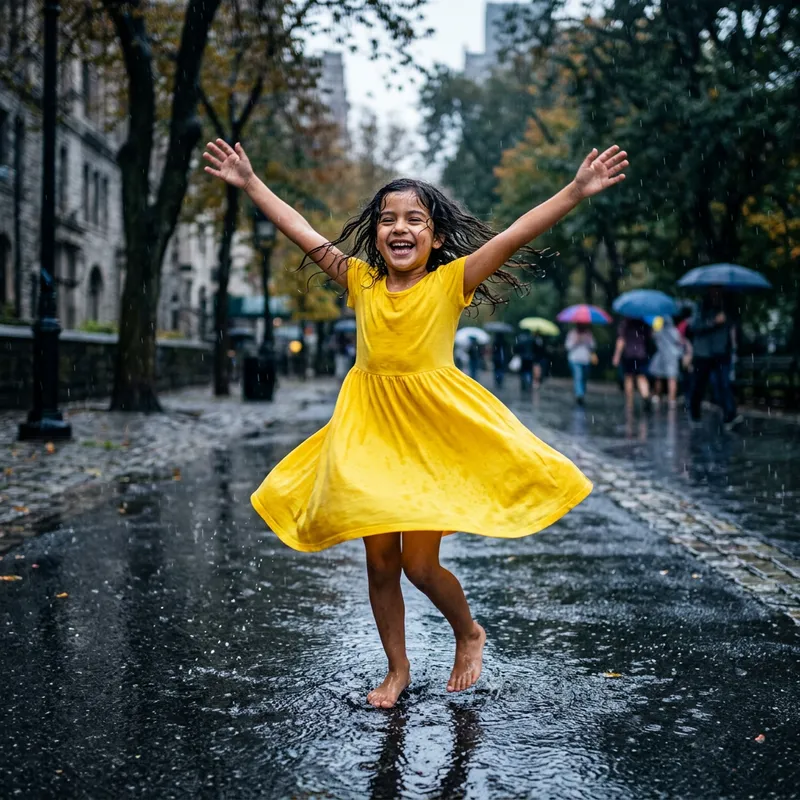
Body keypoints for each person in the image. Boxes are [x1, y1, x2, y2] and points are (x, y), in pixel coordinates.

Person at [204, 138, 627, 709]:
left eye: (415, 220)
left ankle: (468, 632)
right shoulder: (361, 282)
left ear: (437, 236)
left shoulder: (451, 282)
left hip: (429, 437)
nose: (399, 229)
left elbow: (515, 234)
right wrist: (251, 184)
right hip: (370, 434)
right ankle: (397, 670)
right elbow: (301, 231)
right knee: (380, 561)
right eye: (387, 220)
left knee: (420, 565)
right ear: (376, 234)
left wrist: (576, 191)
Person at [687, 289, 743, 430]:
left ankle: (729, 415)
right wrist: (713, 322)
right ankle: (694, 414)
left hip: (721, 352)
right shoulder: (700, 307)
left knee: (723, 384)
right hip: (703, 353)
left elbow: (733, 329)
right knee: (698, 385)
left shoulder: (728, 308)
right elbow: (694, 326)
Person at [648, 316, 691, 407]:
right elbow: (680, 342)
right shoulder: (674, 331)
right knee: (672, 378)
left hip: (661, 355)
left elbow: (653, 338)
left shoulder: (659, 331)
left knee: (658, 377)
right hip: (672, 357)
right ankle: (671, 400)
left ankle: (657, 397)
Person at [612, 317, 652, 409]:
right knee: (641, 376)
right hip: (641, 354)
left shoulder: (625, 324)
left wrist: (617, 356)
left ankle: (629, 403)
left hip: (629, 354)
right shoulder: (644, 324)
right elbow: (649, 338)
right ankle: (645, 395)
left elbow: (621, 340)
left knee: (629, 377)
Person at [565, 323, 596, 405]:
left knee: (584, 378)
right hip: (574, 359)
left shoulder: (588, 334)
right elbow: (568, 346)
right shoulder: (572, 333)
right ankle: (579, 394)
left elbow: (593, 346)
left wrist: (588, 340)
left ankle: (582, 392)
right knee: (578, 376)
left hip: (586, 359)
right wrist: (576, 340)